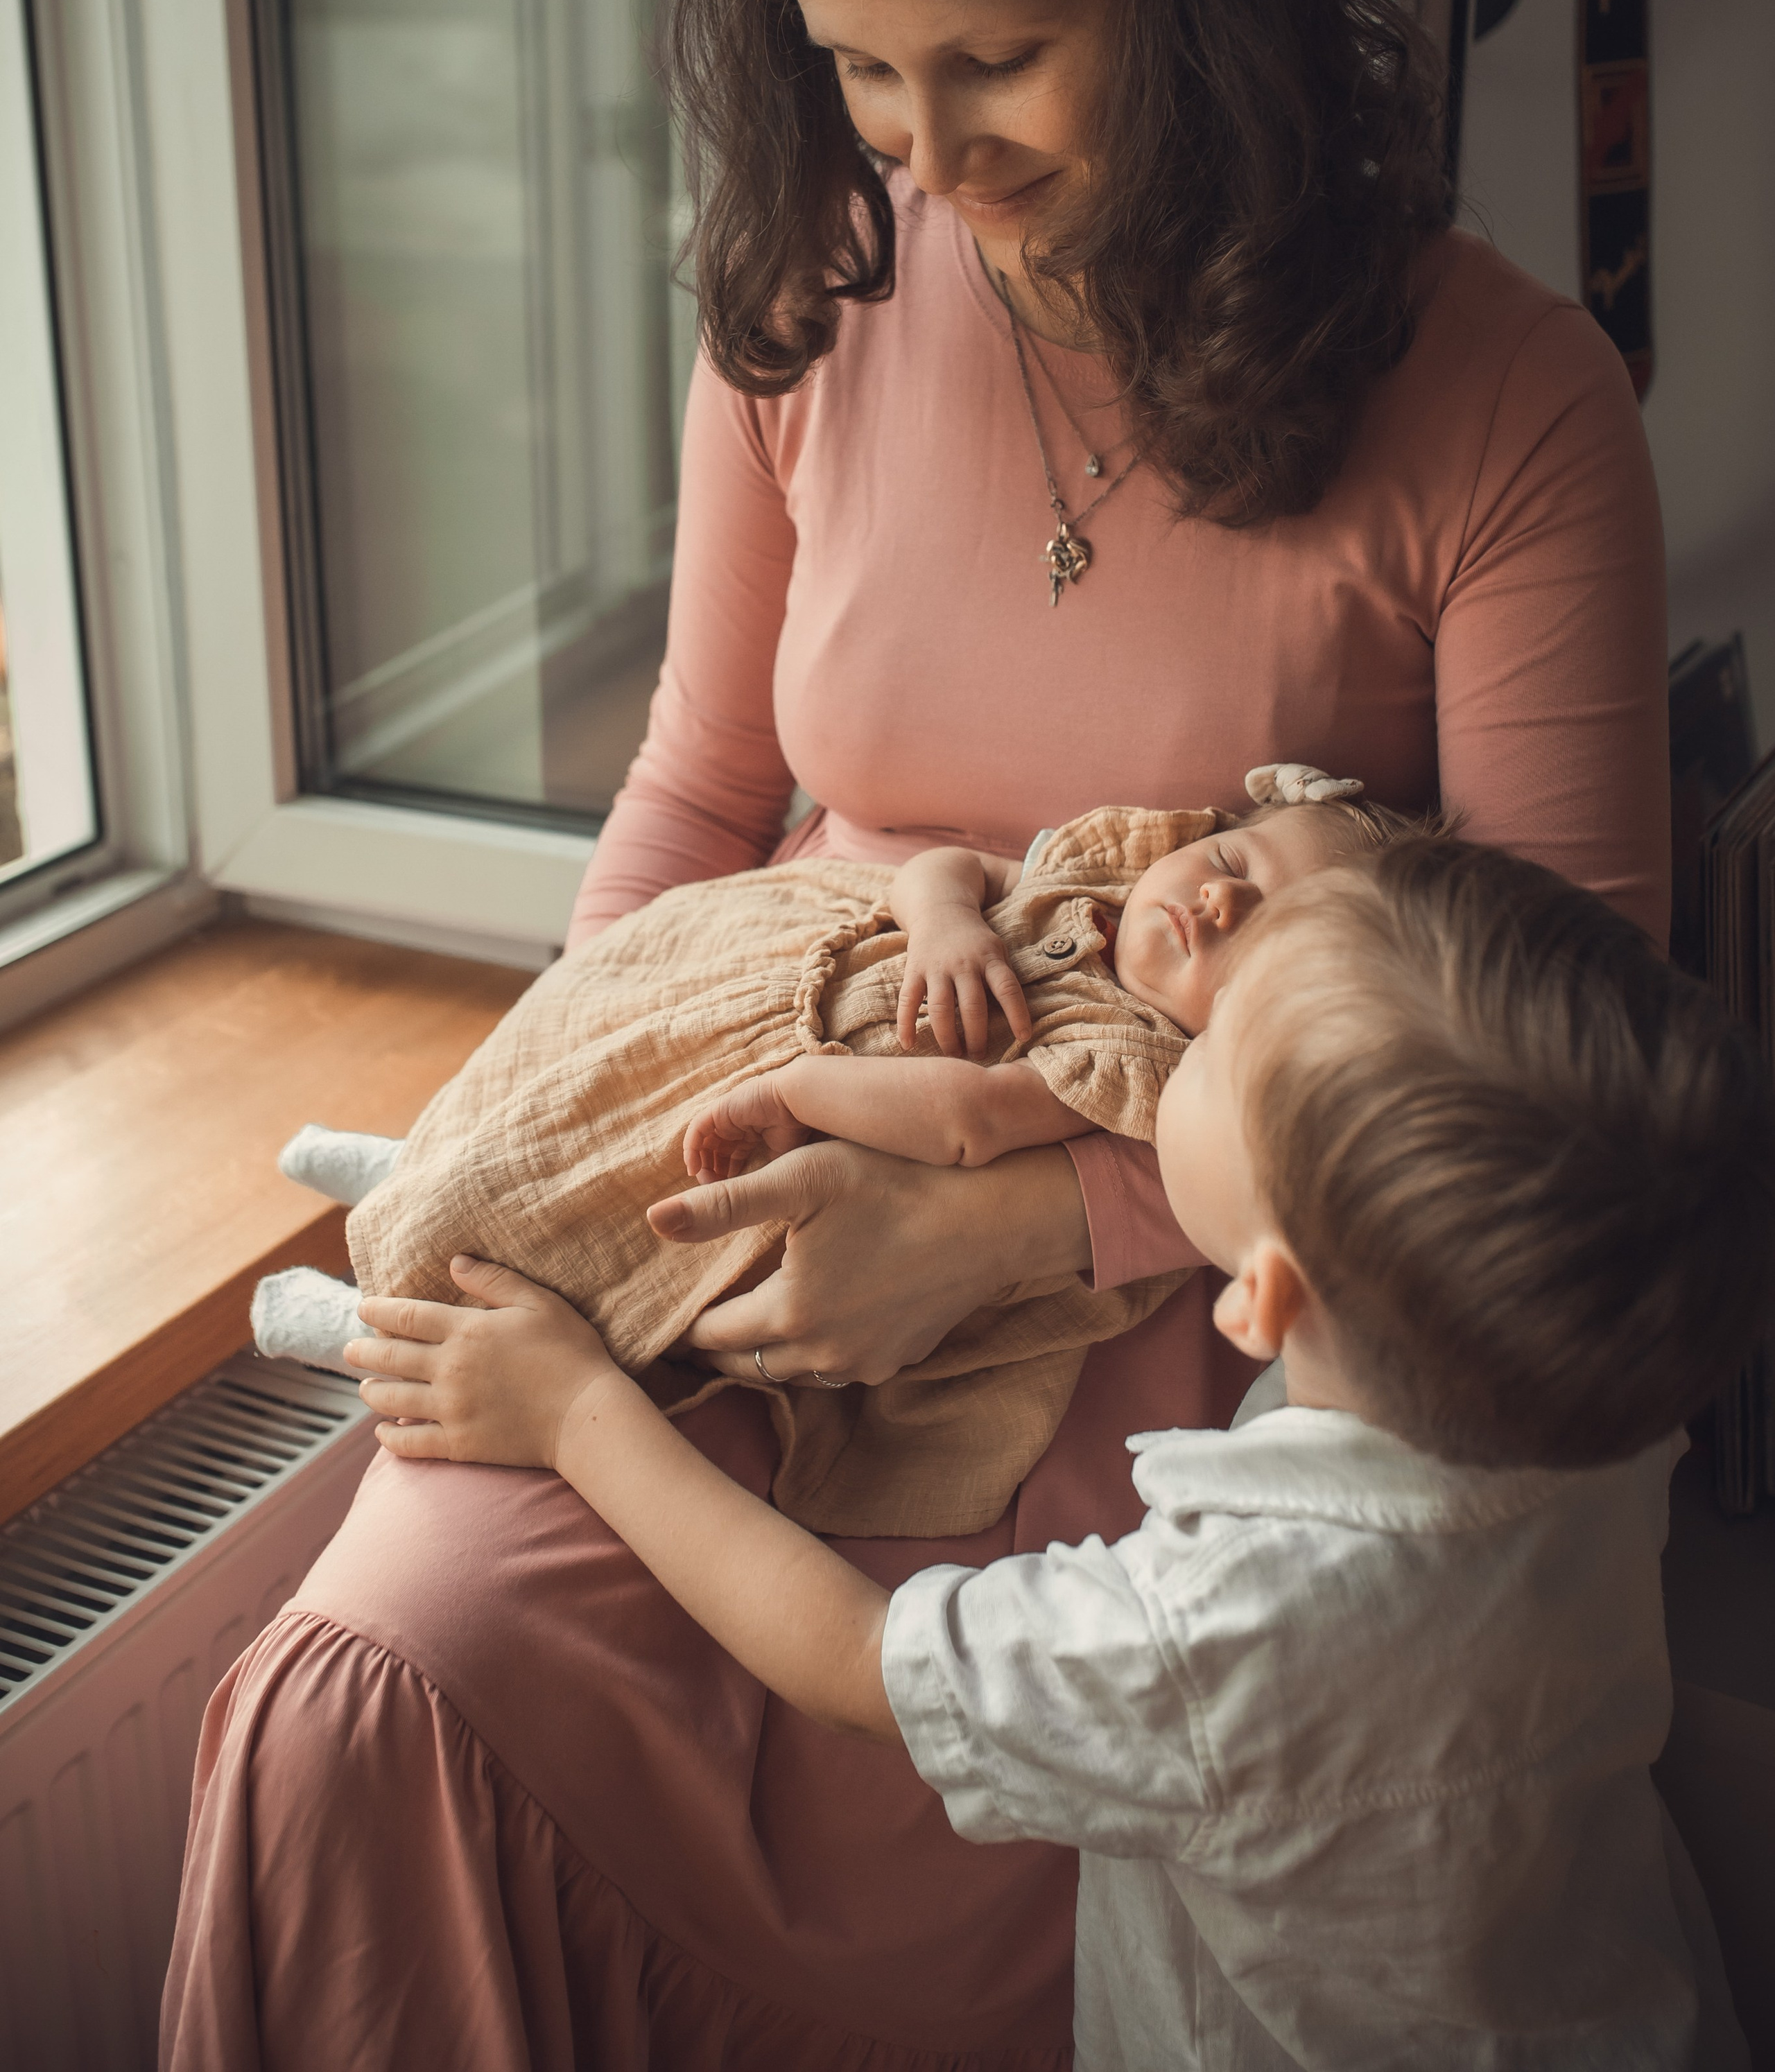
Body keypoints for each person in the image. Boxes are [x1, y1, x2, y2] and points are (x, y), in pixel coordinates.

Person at [162, 0, 1668, 2069]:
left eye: (992, 58)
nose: (922, 153)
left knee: (1033, 1852)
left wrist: (1001, 1217)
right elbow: (699, 789)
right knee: (379, 1669)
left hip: (1215, 1297)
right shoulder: (821, 283)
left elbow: (1543, 1074)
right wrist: (548, 1131)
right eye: (858, 66)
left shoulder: (1509, 414)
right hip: (755, 1200)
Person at [341, 838, 1770, 2068]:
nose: (1182, 1046)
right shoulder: (1592, 1400)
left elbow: (858, 1662)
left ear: (1261, 1299)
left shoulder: (1214, 1637)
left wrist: (576, 1414)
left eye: (1208, 1061)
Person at [254, 780, 1427, 1542]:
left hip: (823, 1130)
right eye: (1243, 859)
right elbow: (950, 866)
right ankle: (418, 1164)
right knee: (565, 1130)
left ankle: (360, 1320)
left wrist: (803, 1090)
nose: (1220, 898)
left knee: (625, 1251)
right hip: (800, 972)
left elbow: (969, 1121)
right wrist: (946, 924)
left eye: (1265, 930)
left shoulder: (1142, 1074)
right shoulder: (1099, 880)